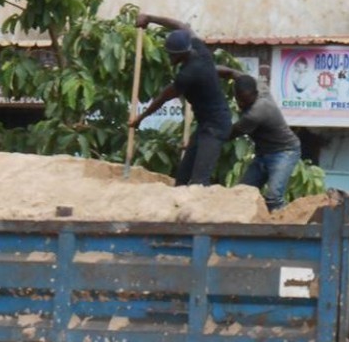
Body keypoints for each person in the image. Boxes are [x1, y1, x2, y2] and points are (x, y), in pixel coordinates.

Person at [128, 13, 231, 186]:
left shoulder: (189, 74)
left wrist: (140, 118)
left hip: (216, 126)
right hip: (205, 125)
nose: (169, 58)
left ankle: (198, 212)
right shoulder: (198, 48)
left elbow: (162, 98)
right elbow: (181, 25)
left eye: (171, 55)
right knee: (182, 180)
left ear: (181, 54)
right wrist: (150, 19)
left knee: (199, 181)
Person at [219, 69, 302, 210]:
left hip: (284, 152)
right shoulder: (258, 87)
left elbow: (229, 134)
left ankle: (284, 227)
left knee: (273, 198)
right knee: (242, 195)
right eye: (240, 100)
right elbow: (234, 73)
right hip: (263, 153)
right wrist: (209, 68)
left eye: (246, 101)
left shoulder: (256, 113)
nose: (242, 104)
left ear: (255, 95)